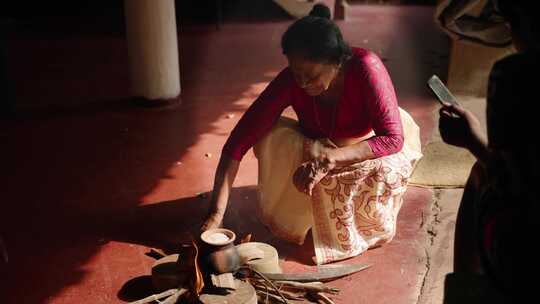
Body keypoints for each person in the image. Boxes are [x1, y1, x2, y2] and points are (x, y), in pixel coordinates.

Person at [202, 4, 422, 264]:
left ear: (338, 62)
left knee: (387, 166)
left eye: (312, 75)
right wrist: (215, 216)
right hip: (318, 146)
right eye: (297, 74)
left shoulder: (365, 67)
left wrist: (332, 159)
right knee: (268, 135)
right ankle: (308, 216)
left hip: (365, 145)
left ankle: (362, 229)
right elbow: (239, 140)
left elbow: (392, 138)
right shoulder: (292, 80)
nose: (303, 84)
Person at [439, 0, 538, 300]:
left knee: (480, 176)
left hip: (526, 254)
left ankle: (465, 295)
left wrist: (472, 141)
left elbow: (515, 182)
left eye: (510, 22)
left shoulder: (515, 75)